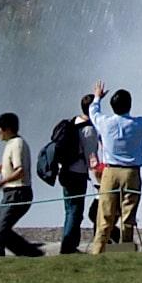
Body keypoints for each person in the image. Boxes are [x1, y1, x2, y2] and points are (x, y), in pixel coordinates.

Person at [89, 78, 142, 255]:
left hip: (109, 173)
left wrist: (97, 97)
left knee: (104, 217)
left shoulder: (105, 123)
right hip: (130, 173)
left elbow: (93, 112)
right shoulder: (137, 124)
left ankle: (98, 252)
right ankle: (124, 253)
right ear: (130, 105)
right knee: (127, 217)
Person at [43, 96, 99, 255]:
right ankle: (68, 247)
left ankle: (68, 244)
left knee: (69, 209)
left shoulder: (73, 122)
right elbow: (92, 158)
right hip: (77, 174)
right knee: (75, 211)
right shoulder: (88, 130)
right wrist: (99, 180)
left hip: (65, 171)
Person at [0, 112, 45, 257]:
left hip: (18, 193)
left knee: (0, 232)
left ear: (7, 129)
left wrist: (3, 181)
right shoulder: (11, 144)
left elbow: (20, 171)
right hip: (10, 194)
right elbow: (7, 167)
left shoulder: (17, 144)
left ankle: (32, 254)